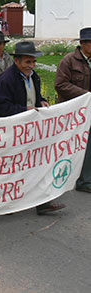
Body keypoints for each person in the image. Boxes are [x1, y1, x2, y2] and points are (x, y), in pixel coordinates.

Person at [0, 41, 65, 215]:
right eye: (27, 62)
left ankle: (42, 202)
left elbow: (35, 95)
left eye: (33, 62)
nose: (31, 66)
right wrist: (24, 110)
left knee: (37, 165)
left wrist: (40, 101)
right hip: (12, 133)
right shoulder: (6, 80)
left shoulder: (34, 76)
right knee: (12, 169)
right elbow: (0, 108)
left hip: (30, 131)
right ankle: (6, 203)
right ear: (16, 61)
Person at [55, 27, 91, 193]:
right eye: (89, 42)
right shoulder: (69, 60)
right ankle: (65, 178)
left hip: (88, 110)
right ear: (82, 43)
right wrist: (86, 95)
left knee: (88, 144)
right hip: (73, 112)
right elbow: (60, 85)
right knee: (71, 145)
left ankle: (85, 180)